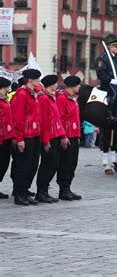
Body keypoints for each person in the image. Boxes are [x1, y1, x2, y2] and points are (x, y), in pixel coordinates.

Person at [10, 69, 42, 206]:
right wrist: (20, 138)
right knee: (23, 166)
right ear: (30, 80)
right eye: (37, 79)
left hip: (34, 134)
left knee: (32, 165)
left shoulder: (32, 94)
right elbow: (18, 118)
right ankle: (19, 193)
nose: (39, 82)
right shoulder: (22, 94)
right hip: (25, 135)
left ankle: (25, 191)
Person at [35, 74, 67, 203]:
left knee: (53, 165)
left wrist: (62, 136)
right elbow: (44, 122)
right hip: (48, 137)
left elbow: (56, 119)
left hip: (55, 136)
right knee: (47, 165)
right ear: (49, 85)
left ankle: (45, 190)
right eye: (55, 83)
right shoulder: (44, 99)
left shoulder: (51, 97)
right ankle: (41, 191)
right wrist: (46, 140)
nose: (57, 85)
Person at [56, 75, 82, 201]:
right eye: (78, 85)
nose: (79, 87)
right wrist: (63, 136)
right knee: (65, 163)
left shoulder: (74, 98)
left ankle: (68, 187)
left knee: (73, 163)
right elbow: (60, 119)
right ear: (72, 86)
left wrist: (77, 135)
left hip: (74, 135)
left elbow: (76, 119)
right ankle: (63, 189)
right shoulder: (62, 99)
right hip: (66, 136)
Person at [95, 35, 117, 123]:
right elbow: (100, 74)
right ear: (111, 47)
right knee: (115, 93)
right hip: (108, 84)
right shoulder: (103, 59)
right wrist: (111, 80)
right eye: (116, 47)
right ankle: (110, 114)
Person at [0, 76, 15, 199]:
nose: (9, 89)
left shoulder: (4, 100)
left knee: (4, 163)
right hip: (1, 139)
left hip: (7, 137)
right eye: (7, 87)